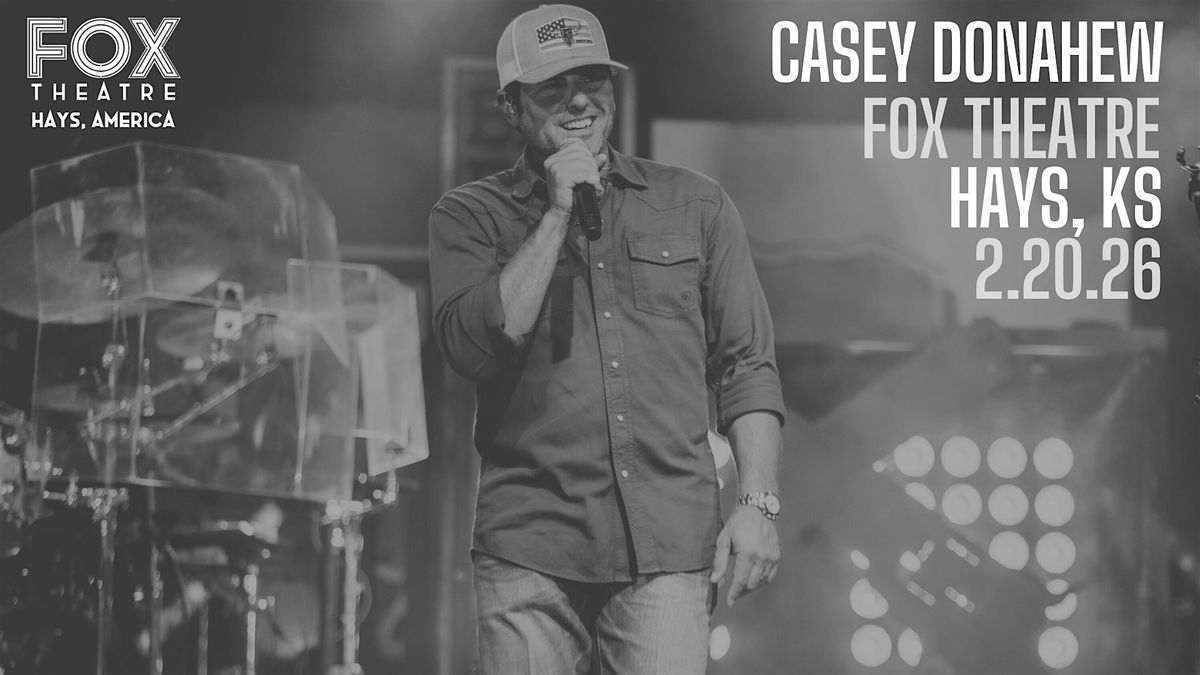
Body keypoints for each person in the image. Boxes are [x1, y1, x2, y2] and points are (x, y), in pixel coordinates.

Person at [428, 5, 785, 673]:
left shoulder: (695, 204)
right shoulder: (470, 214)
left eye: (592, 79)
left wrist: (758, 502)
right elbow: (472, 349)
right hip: (529, 547)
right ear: (510, 106)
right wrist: (558, 212)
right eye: (553, 86)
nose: (579, 100)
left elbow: (746, 366)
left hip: (669, 547)